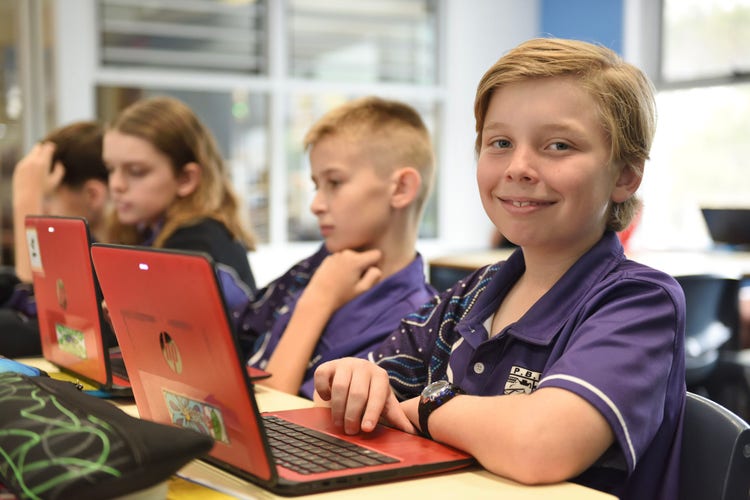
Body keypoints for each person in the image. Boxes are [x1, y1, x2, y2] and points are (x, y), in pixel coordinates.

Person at [313, 38, 686, 500]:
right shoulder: (473, 294)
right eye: (501, 142)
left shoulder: (638, 302)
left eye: (558, 145)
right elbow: (360, 399)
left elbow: (541, 445)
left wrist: (432, 405)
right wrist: (354, 379)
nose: (519, 167)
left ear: (626, 175)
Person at [239, 96, 437, 399]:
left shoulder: (417, 325)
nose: (316, 205)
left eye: (335, 182)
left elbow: (273, 415)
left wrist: (317, 301)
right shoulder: (318, 267)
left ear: (401, 188)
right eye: (317, 185)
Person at [102, 96, 257, 299]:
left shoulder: (197, 243)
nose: (116, 185)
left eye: (136, 171)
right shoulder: (147, 229)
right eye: (110, 169)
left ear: (186, 178)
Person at [1, 121, 110, 357]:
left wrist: (27, 205)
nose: (42, 212)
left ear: (92, 195)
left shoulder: (104, 267)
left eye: (48, 198)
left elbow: (39, 333)